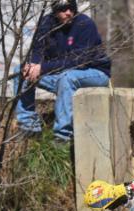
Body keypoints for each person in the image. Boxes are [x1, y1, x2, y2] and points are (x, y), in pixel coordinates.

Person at [15, 0, 110, 143]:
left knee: (67, 78)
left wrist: (43, 68)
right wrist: (33, 65)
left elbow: (79, 61)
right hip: (62, 73)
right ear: (55, 11)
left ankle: (63, 136)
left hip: (95, 73)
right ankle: (29, 127)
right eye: (64, 9)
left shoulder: (85, 24)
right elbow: (37, 49)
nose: (69, 13)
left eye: (72, 8)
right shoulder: (46, 22)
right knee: (20, 71)